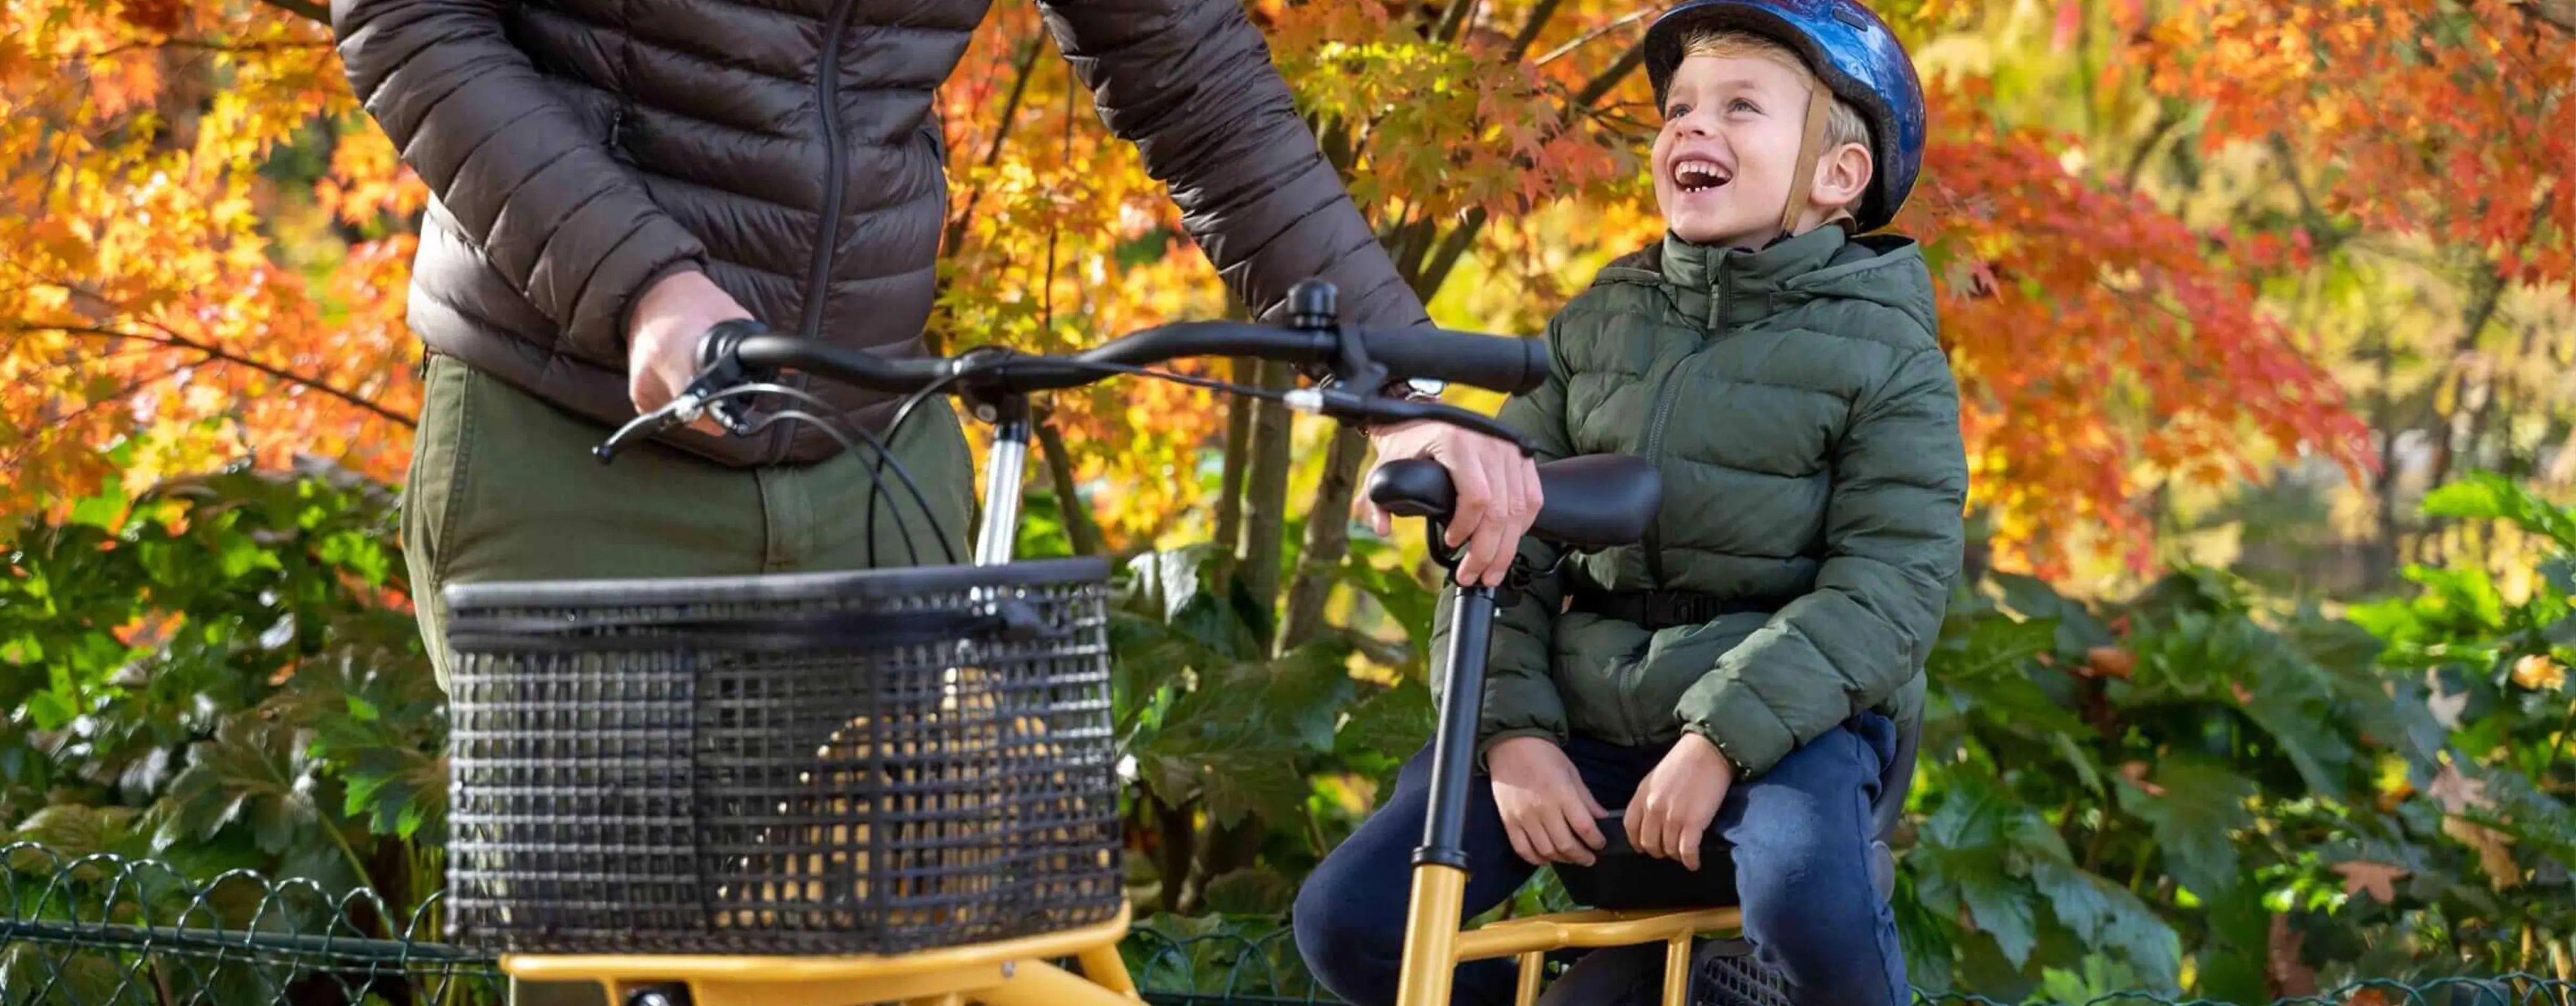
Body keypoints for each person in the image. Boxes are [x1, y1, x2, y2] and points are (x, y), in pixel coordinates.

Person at [328, 0, 1547, 702]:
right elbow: (406, 16)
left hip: (873, 450)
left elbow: (1197, 81)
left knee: (890, 954)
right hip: (575, 428)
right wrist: (644, 283)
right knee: (614, 962)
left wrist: (1404, 388)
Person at [1291, 2, 1966, 1005]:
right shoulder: (1600, 323)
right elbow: (1504, 544)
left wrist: (1719, 741)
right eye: (1681, 108)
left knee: (1803, 893)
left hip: (1785, 728)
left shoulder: (1889, 356)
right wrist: (1512, 735)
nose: (1694, 127)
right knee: (1349, 924)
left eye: (1740, 108)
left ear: (1837, 175)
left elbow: (1890, 589)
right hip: (1586, 715)